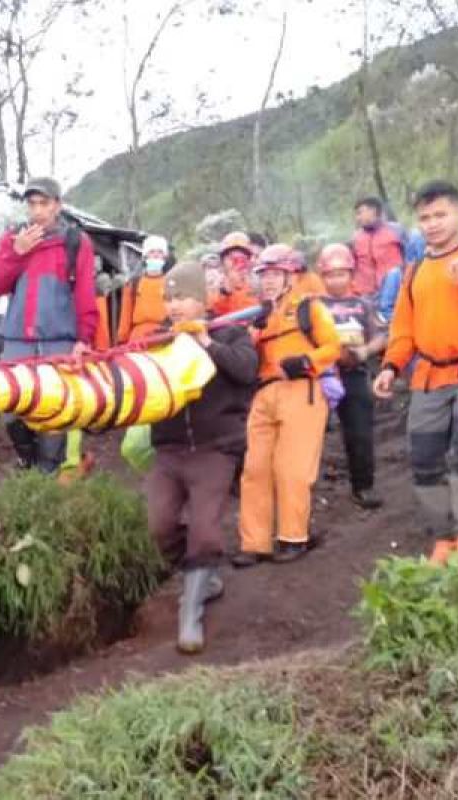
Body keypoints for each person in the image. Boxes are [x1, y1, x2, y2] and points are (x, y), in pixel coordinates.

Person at [374, 181, 458, 564]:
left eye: (440, 215)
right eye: (424, 218)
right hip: (427, 377)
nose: (432, 224)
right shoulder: (414, 271)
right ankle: (441, 535)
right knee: (424, 456)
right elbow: (403, 328)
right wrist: (391, 366)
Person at [146, 260, 258, 654]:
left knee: (205, 530)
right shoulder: (156, 340)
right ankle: (203, 575)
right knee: (158, 527)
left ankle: (190, 610)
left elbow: (246, 371)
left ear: (205, 300)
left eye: (185, 297)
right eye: (171, 298)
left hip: (215, 449)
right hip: (169, 449)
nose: (176, 306)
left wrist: (206, 343)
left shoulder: (231, 332)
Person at [233, 244, 341, 567]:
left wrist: (305, 361)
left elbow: (333, 347)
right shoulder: (261, 315)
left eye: (275, 274)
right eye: (264, 274)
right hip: (264, 393)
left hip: (301, 390)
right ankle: (255, 543)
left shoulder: (310, 309)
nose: (268, 281)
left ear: (291, 276)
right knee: (255, 469)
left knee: (292, 468)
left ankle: (294, 537)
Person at [0, 177, 98, 474]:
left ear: (57, 206)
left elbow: (85, 294)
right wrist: (15, 252)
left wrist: (84, 339)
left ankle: (48, 474)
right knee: (9, 407)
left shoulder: (76, 243)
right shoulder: (13, 240)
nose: (37, 210)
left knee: (54, 412)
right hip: (18, 341)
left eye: (43, 203)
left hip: (58, 343)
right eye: (32, 203)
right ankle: (27, 460)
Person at [317, 242, 386, 510]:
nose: (336, 280)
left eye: (341, 273)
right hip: (321, 375)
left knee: (360, 433)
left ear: (351, 274)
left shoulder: (363, 304)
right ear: (322, 276)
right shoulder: (313, 305)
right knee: (310, 434)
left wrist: (364, 351)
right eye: (330, 274)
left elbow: (382, 334)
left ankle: (363, 486)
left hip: (355, 373)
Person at [118, 234, 171, 343]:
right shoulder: (134, 284)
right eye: (152, 252)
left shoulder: (170, 283)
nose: (156, 255)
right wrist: (122, 340)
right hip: (138, 337)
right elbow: (125, 315)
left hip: (164, 335)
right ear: (145, 256)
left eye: (160, 252)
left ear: (165, 256)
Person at [351, 196, 406, 297]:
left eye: (360, 213)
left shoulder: (396, 230)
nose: (357, 218)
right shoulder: (356, 237)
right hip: (365, 295)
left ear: (373, 211)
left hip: (393, 292)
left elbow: (409, 256)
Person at [212, 231, 260, 316]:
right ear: (223, 262)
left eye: (241, 258)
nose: (237, 263)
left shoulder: (257, 286)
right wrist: (225, 292)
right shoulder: (214, 287)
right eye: (231, 258)